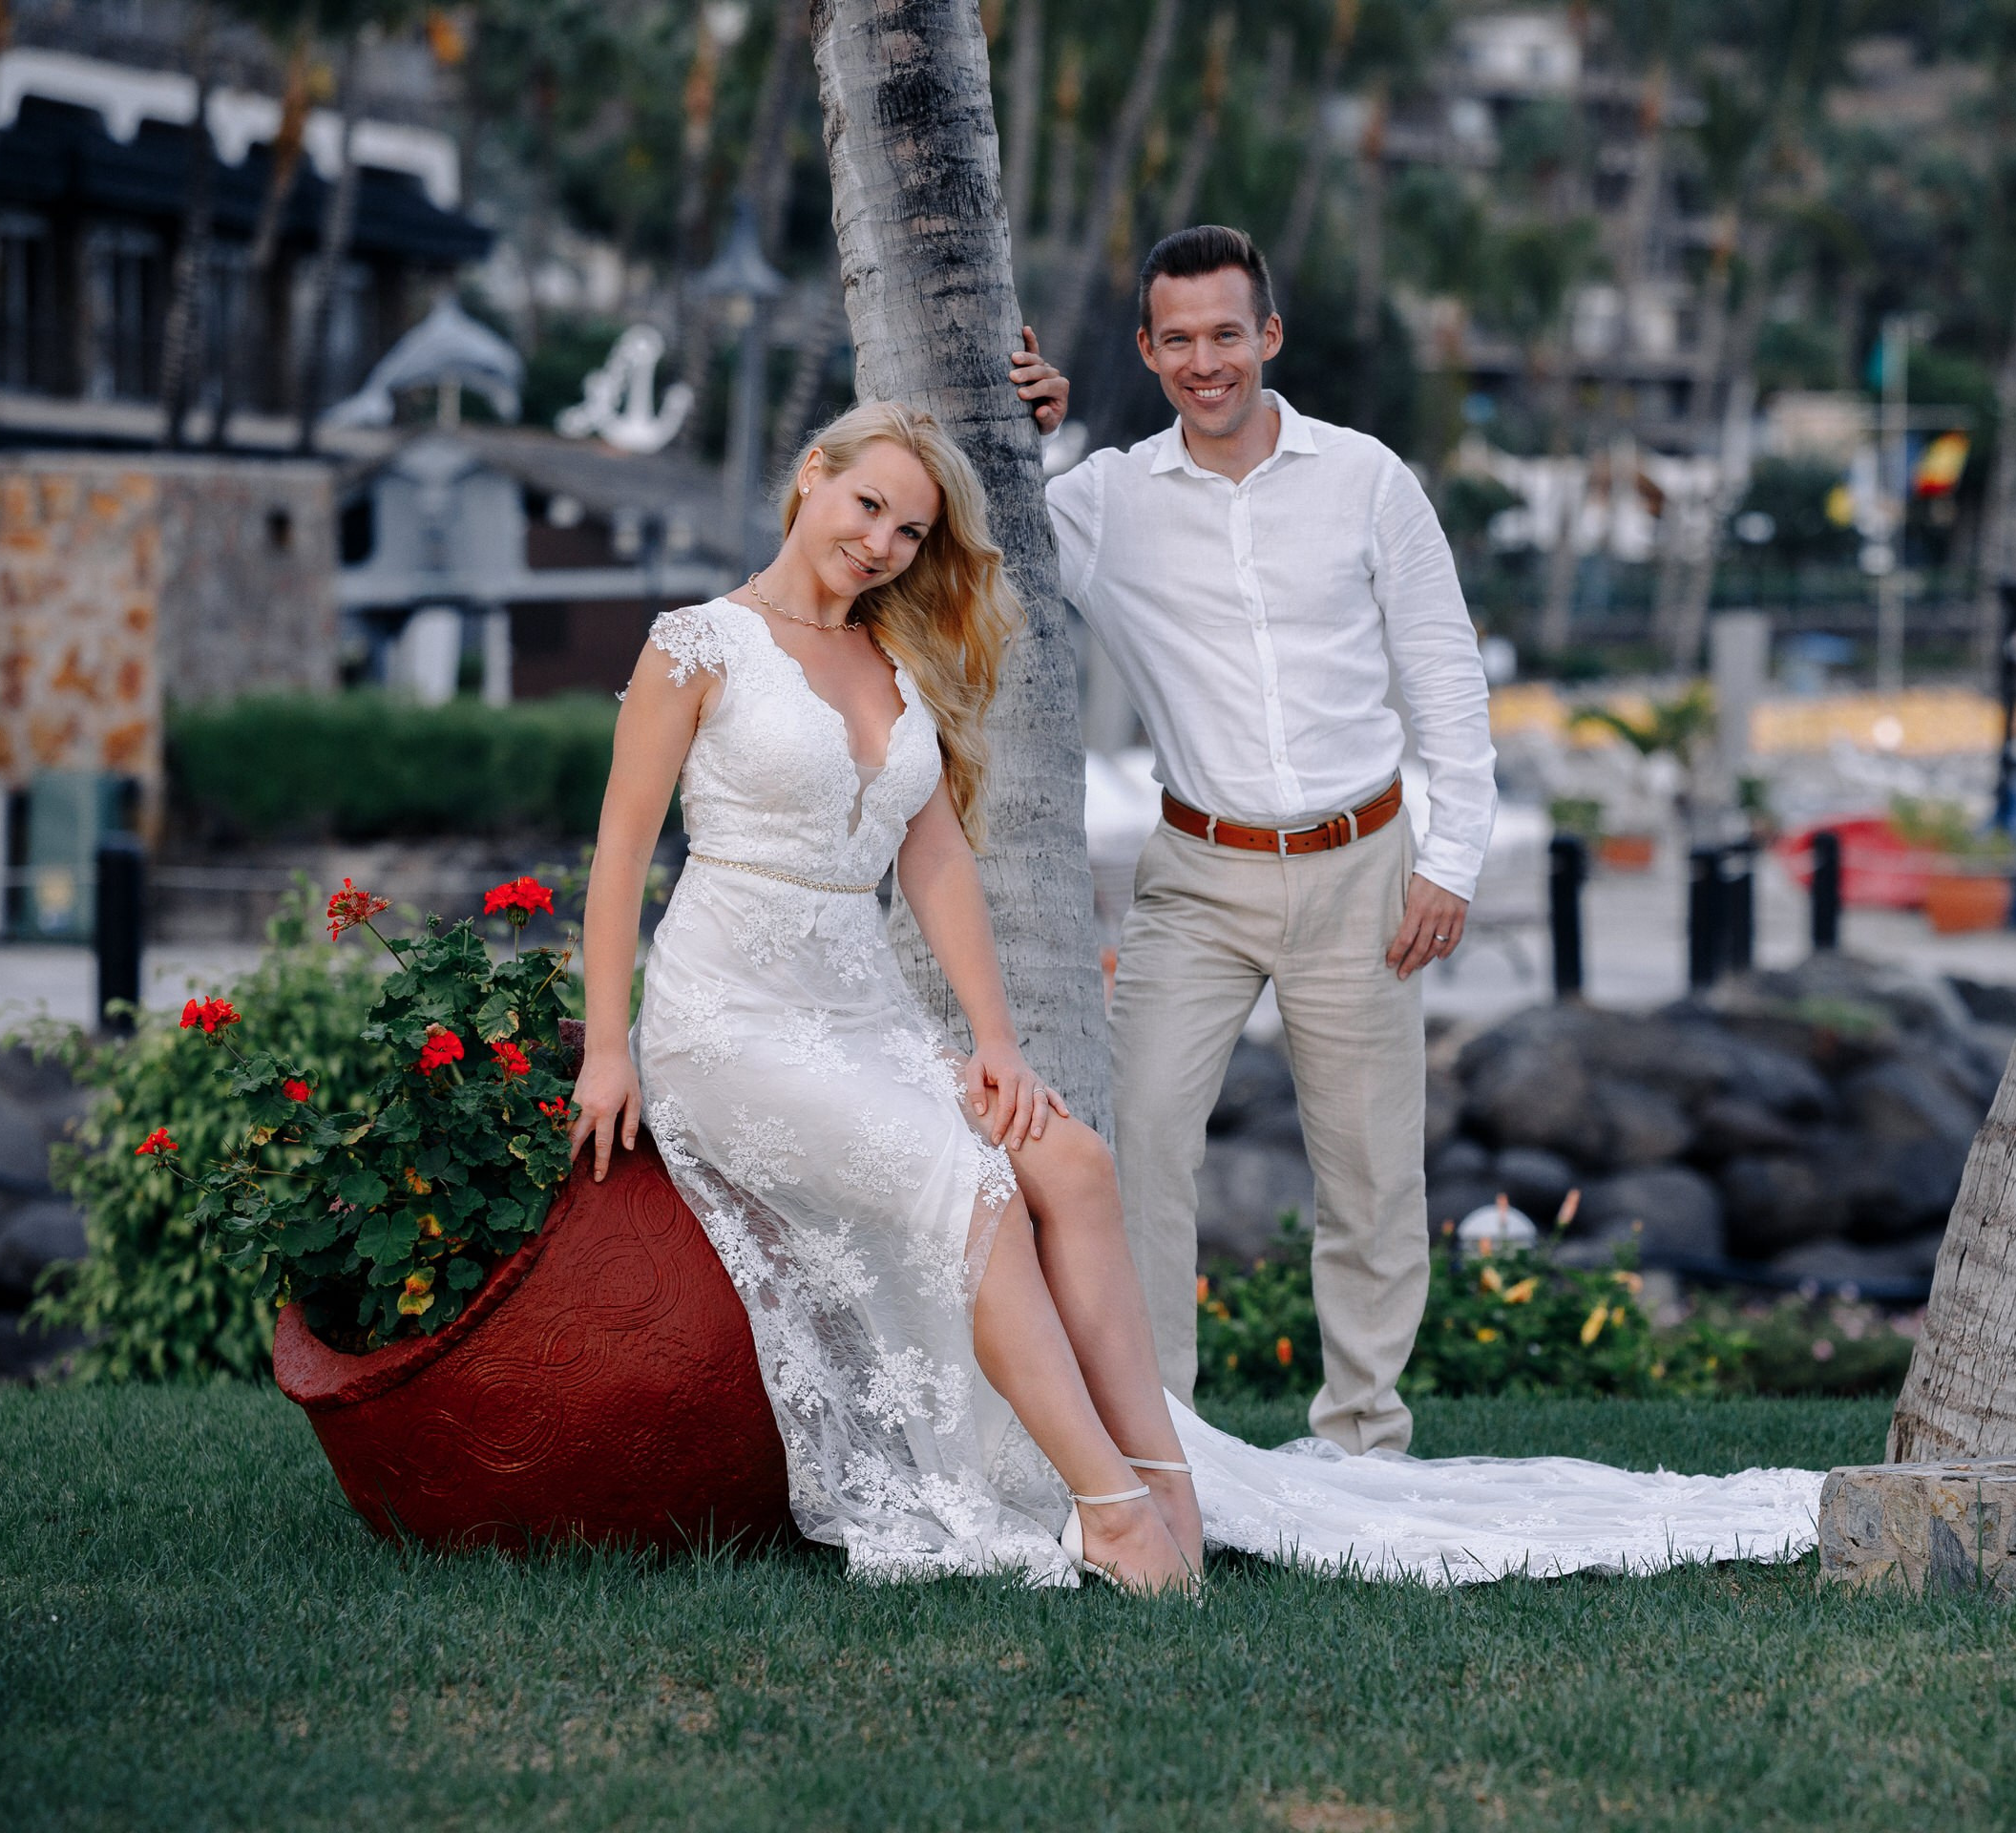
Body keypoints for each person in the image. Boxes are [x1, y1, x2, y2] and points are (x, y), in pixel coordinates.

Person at [572, 399, 1820, 1591]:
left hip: (860, 1012)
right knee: (978, 1193)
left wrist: (993, 1042)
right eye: (868, 507)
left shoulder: (897, 653)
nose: (882, 544)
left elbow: (936, 855)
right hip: (728, 1020)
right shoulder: (699, 643)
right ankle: (1109, 1513)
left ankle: (1165, 1480)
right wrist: (607, 1051)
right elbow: (624, 851)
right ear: (811, 475)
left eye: (909, 532)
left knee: (1075, 1166)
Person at [1011, 223, 1495, 1455]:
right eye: (1178, 340)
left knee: (1374, 1176)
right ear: (1148, 350)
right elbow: (979, 546)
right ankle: (1161, 1437)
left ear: (1268, 336)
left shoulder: (1370, 480)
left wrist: (1451, 861)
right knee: (1142, 1155)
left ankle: (1362, 1442)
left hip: (1365, 869)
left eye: (1227, 333)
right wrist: (1034, 431)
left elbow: (1444, 673)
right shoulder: (1104, 500)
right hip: (1196, 878)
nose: (1205, 360)